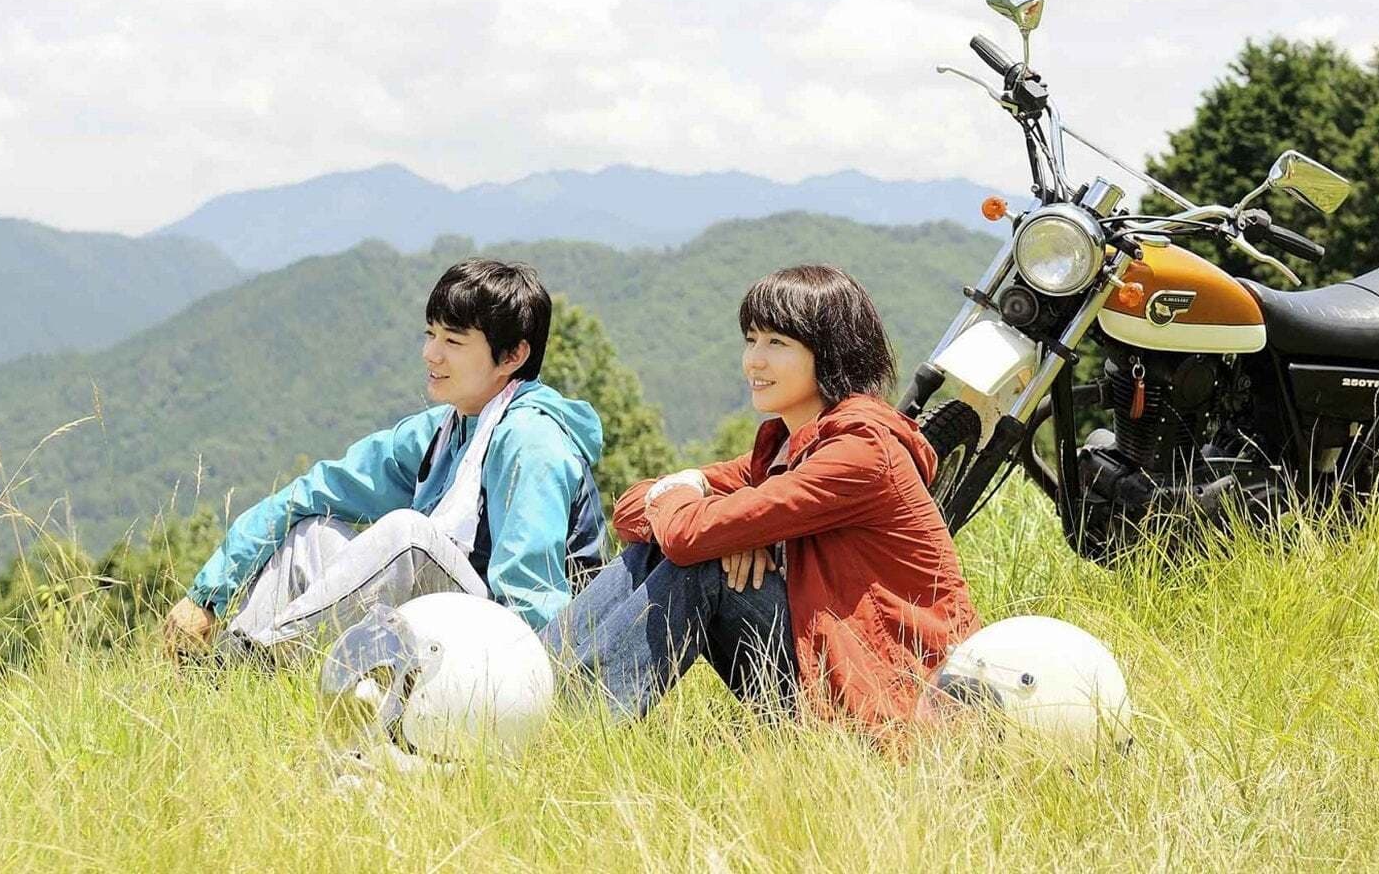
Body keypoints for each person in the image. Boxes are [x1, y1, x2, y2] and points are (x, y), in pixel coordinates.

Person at [541, 264, 976, 728]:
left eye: (777, 343)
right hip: (821, 660)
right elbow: (631, 508)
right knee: (664, 547)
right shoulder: (785, 451)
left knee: (702, 561)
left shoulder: (861, 452)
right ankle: (530, 684)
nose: (754, 360)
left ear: (831, 352)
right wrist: (717, 522)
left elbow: (687, 535)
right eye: (751, 340)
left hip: (881, 700)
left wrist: (712, 525)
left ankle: (568, 723)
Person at [162, 258, 605, 657]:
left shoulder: (532, 441)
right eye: (430, 334)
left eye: (453, 340)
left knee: (409, 534)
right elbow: (312, 492)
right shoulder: (445, 429)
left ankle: (258, 657)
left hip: (514, 651)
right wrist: (207, 595)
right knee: (310, 535)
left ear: (513, 356)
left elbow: (532, 603)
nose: (430, 354)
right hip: (449, 621)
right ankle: (232, 674)